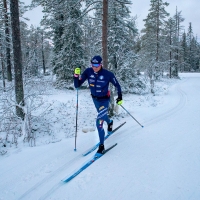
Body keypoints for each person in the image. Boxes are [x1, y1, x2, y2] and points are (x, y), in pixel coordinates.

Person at [74, 55, 122, 155]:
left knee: (99, 121)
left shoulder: (107, 74)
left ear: (101, 64)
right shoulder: (88, 72)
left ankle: (101, 145)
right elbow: (77, 85)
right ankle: (110, 122)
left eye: (96, 65)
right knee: (103, 116)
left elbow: (117, 85)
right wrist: (76, 75)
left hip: (104, 100)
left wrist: (120, 97)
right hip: (95, 99)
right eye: (93, 65)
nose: (94, 67)